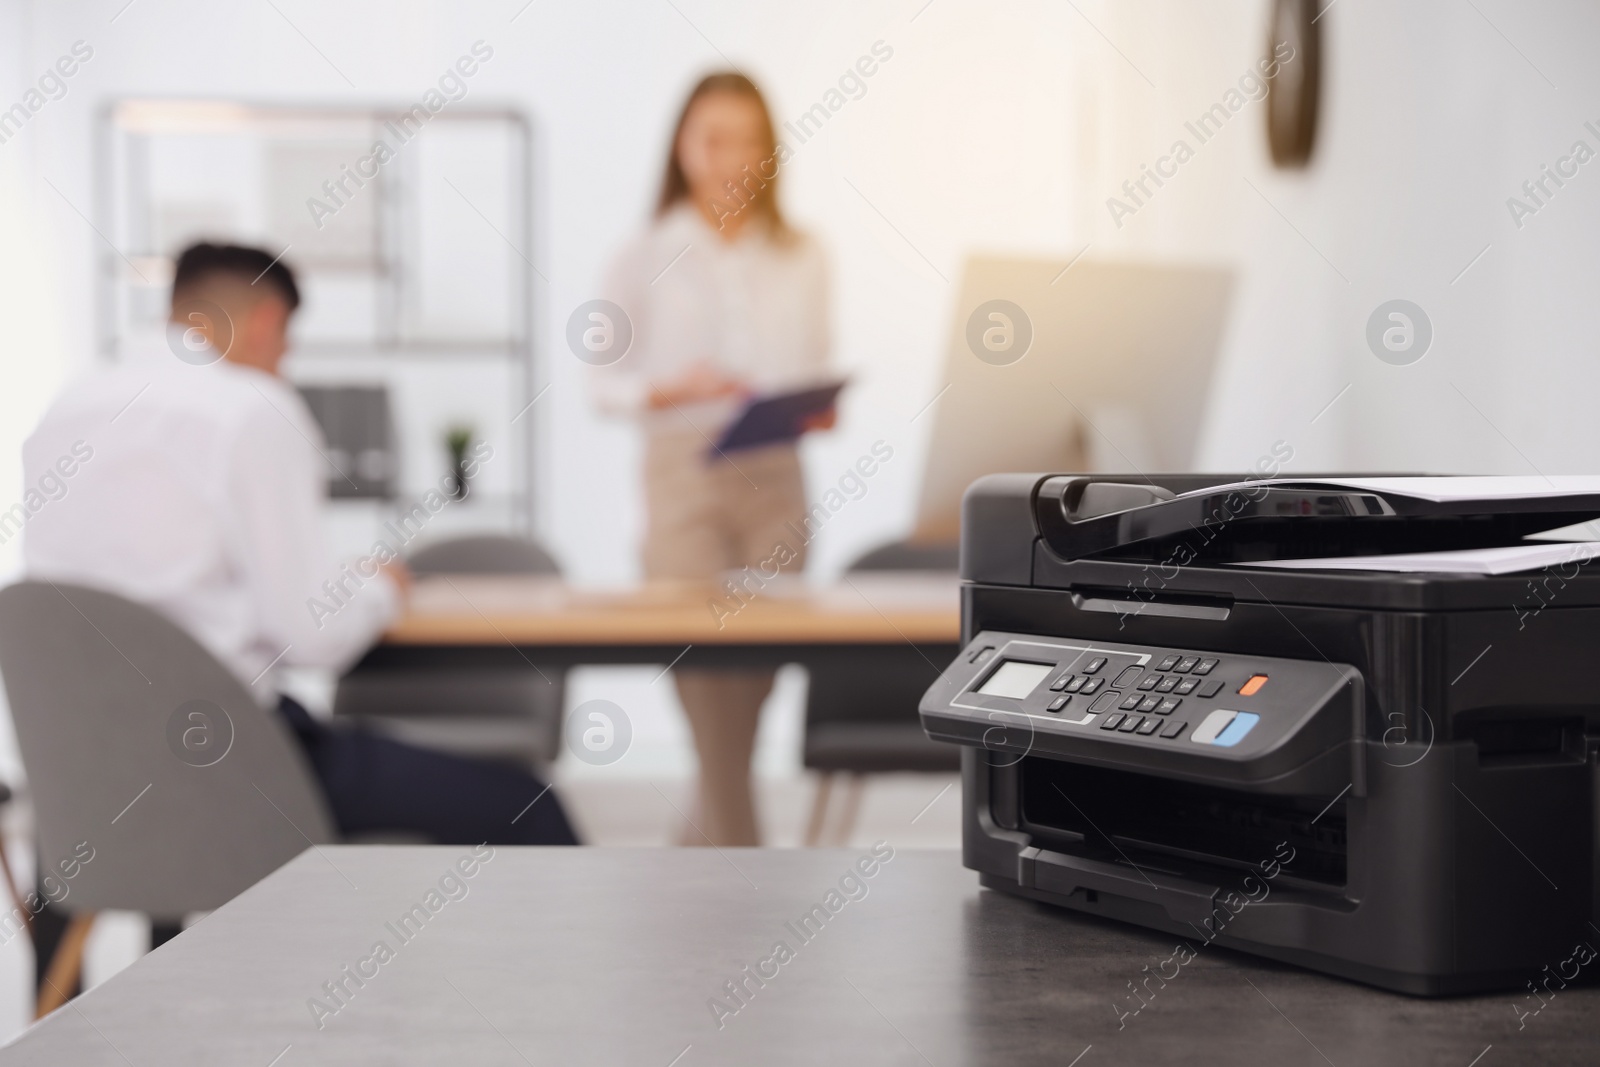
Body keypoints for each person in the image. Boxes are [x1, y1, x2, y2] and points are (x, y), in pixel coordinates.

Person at [21, 242, 579, 851]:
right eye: (288, 344)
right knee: (528, 805)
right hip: (232, 764)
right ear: (267, 323)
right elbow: (314, 636)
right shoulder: (250, 409)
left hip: (84, 776)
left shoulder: (67, 408)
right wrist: (380, 587)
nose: (283, 363)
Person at [591, 73, 833, 846]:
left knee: (753, 677)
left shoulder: (805, 254)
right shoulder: (642, 252)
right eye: (713, 138)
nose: (732, 158)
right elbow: (601, 386)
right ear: (683, 148)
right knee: (700, 673)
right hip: (682, 473)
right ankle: (742, 854)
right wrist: (669, 389)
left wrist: (815, 402)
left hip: (776, 474)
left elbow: (815, 361)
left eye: (749, 139)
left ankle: (697, 850)